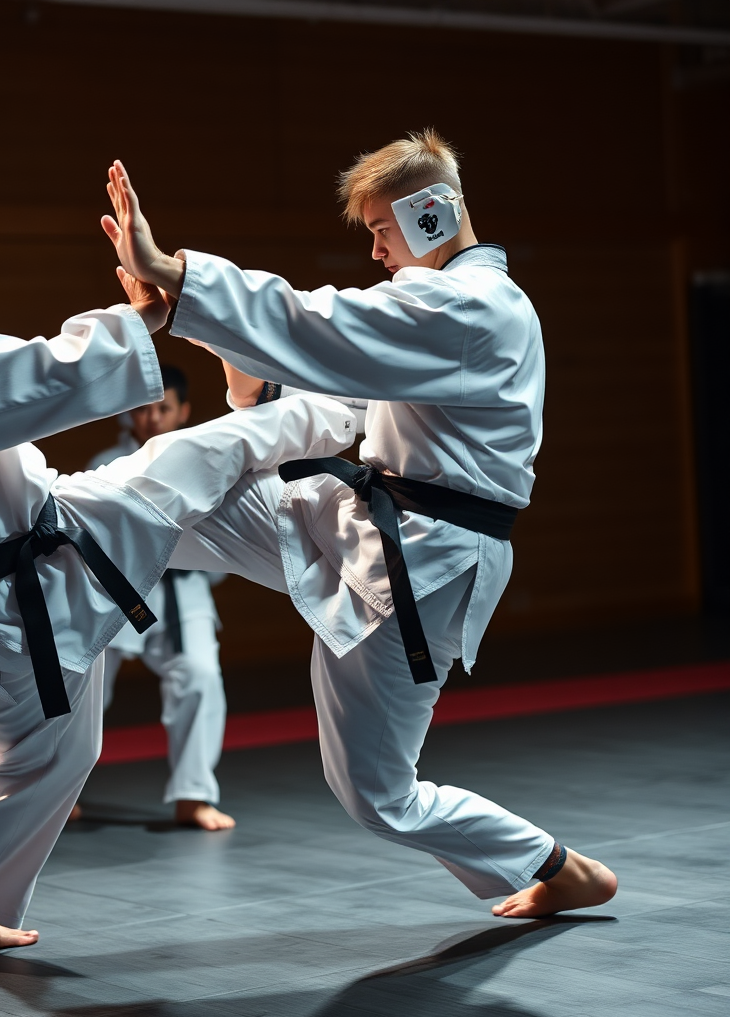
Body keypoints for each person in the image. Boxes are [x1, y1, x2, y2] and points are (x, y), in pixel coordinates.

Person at [0, 199, 356, 957]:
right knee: (198, 462)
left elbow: (5, 373)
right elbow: (36, 372)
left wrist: (133, 325)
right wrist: (140, 321)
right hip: (17, 588)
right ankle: (353, 416)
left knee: (55, 752)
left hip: (32, 553)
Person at [101, 130, 618, 919]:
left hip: (426, 560)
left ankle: (554, 864)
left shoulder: (470, 306)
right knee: (167, 502)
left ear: (431, 215)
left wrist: (177, 276)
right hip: (357, 521)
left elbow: (324, 329)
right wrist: (219, 346)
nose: (377, 253)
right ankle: (57, 513)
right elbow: (341, 400)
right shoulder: (440, 311)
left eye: (381, 231)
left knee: (378, 795)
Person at [79, 364, 234, 830]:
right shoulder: (106, 465)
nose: (152, 418)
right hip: (119, 595)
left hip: (184, 593)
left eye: (163, 408)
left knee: (201, 677)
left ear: (183, 411)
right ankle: (58, 792)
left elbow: (226, 540)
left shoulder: (207, 464)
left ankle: (193, 796)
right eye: (144, 408)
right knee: (86, 689)